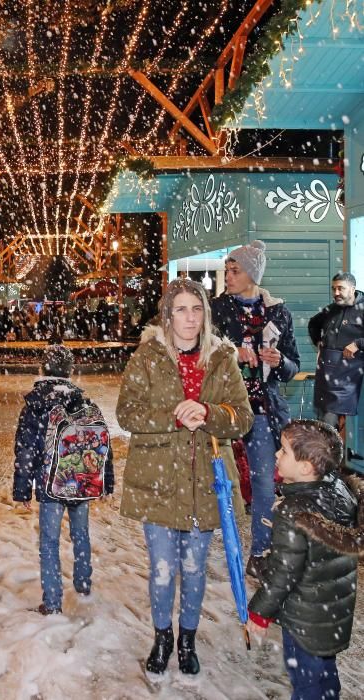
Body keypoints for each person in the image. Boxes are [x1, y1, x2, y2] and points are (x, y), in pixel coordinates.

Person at [117, 278, 253, 675]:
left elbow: (241, 417)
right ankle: (162, 638)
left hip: (205, 482)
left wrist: (209, 413)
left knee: (194, 569)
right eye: (181, 309)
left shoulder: (222, 358)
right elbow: (127, 414)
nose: (190, 318)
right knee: (162, 569)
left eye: (197, 309)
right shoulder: (146, 358)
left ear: (206, 314)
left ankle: (187, 640)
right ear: (167, 315)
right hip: (158, 480)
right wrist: (175, 415)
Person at [246, 419, 358, 700]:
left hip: (303, 622)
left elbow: (284, 574)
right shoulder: (341, 492)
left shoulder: (294, 512)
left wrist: (259, 613)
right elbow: (314, 557)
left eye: (284, 451)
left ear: (306, 468)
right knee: (325, 678)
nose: (276, 455)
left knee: (306, 685)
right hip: (331, 618)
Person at [210, 240, 300, 576]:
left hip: (262, 409)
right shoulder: (216, 309)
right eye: (227, 270)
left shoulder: (278, 311)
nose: (229, 276)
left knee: (264, 482)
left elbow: (293, 364)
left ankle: (260, 551)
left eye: (235, 270)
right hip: (223, 407)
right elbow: (205, 350)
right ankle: (202, 540)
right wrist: (231, 352)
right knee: (216, 479)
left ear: (252, 274)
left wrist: (279, 362)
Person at [13, 345, 115, 615]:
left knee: (49, 541)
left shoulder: (36, 404)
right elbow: (103, 443)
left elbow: (26, 449)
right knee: (80, 534)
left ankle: (53, 601)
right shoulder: (83, 402)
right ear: (70, 371)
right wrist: (106, 482)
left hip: (51, 485)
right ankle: (83, 584)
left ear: (42, 369)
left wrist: (22, 488)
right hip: (81, 481)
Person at [307, 272, 364, 434]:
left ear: (352, 289)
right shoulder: (331, 310)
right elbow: (313, 323)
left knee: (338, 428)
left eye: (341, 288)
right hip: (327, 376)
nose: (336, 293)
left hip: (351, 378)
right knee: (324, 425)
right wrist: (318, 341)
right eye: (334, 289)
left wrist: (358, 343)